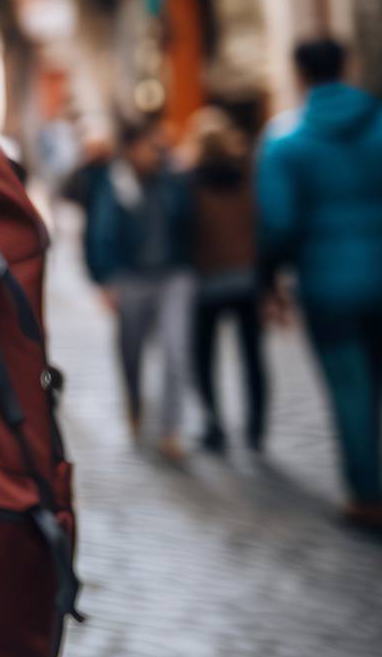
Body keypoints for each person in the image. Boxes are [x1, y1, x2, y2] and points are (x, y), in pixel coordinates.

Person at [257, 38, 382, 532]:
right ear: (349, 65)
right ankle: (371, 477)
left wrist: (270, 280)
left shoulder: (285, 142)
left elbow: (277, 223)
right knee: (377, 380)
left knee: (349, 387)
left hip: (328, 286)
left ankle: (366, 493)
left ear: (299, 75)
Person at [81, 116, 195, 463]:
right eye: (144, 145)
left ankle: (170, 431)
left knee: (176, 351)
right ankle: (134, 402)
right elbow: (100, 233)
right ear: (130, 150)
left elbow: (190, 218)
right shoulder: (114, 183)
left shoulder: (172, 178)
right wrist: (105, 280)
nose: (151, 152)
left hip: (174, 275)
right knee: (130, 353)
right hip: (130, 278)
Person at [183, 107, 267, 453]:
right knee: (252, 356)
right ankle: (256, 426)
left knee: (203, 356)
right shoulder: (248, 174)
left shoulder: (189, 181)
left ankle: (214, 423)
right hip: (247, 277)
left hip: (207, 280)